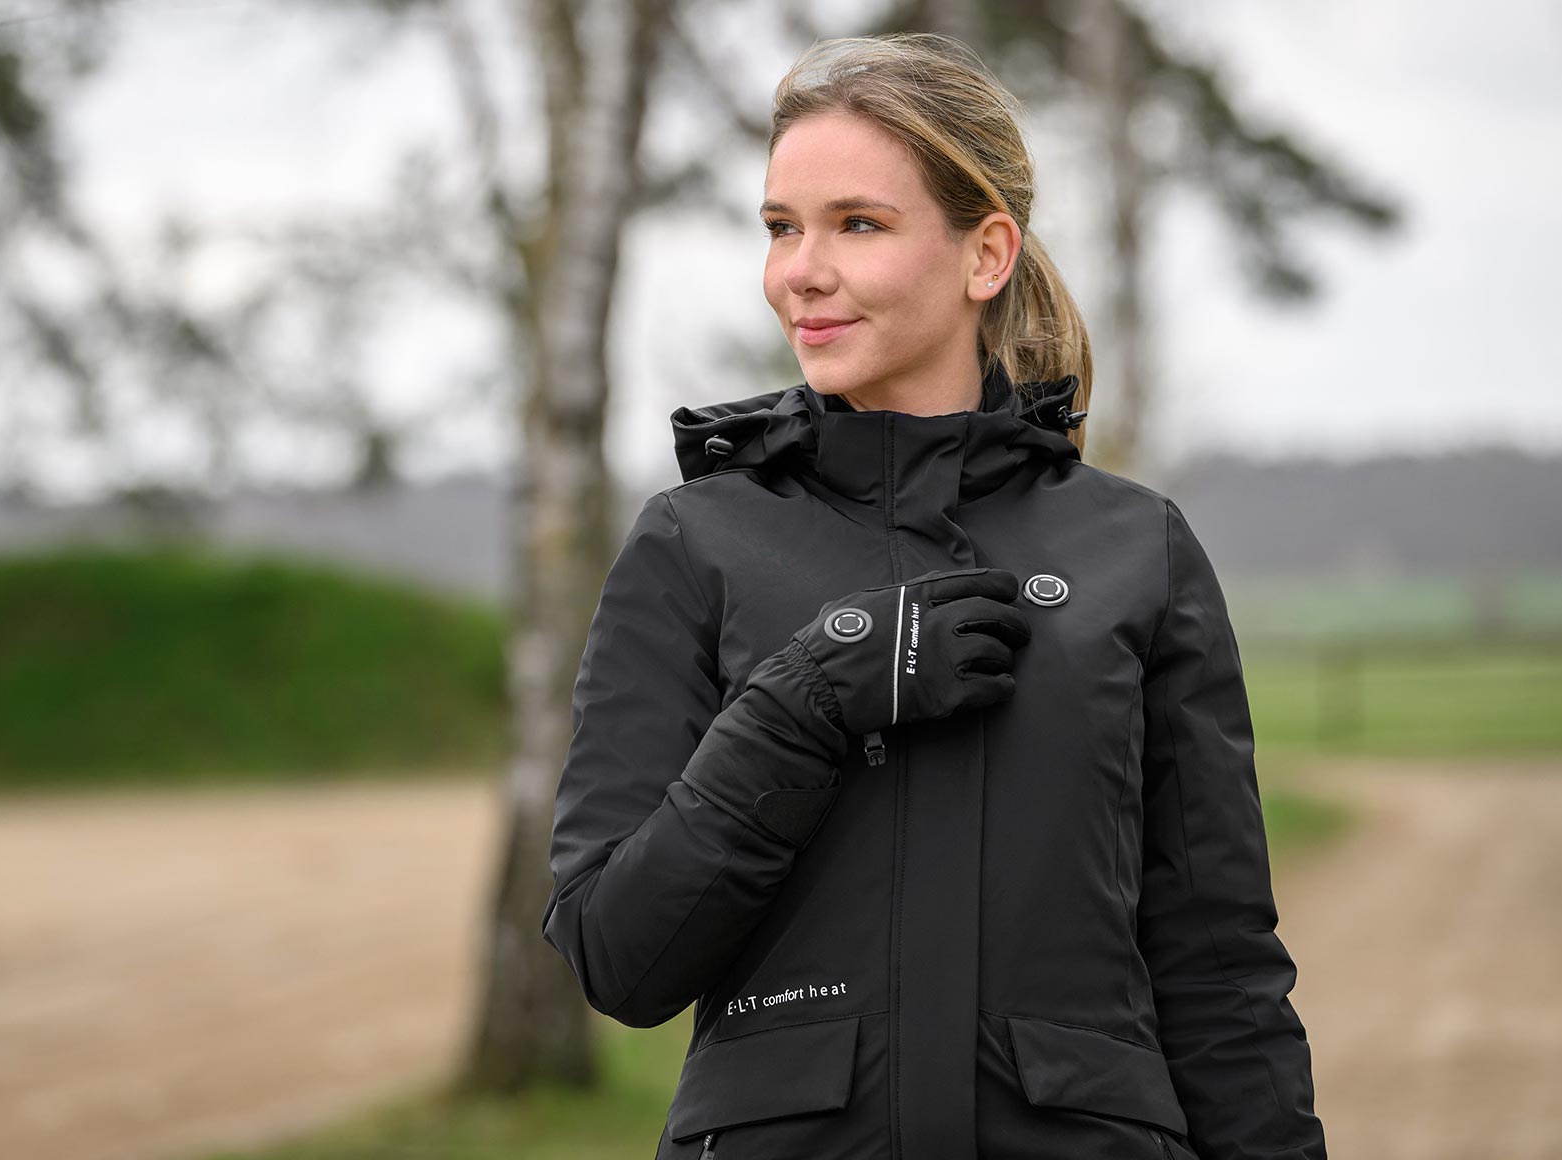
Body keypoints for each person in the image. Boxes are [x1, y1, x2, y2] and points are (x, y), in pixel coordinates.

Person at [541, 31, 1324, 1160]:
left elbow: (1219, 973)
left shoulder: (1135, 550)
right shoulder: (693, 543)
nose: (800, 270)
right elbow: (618, 957)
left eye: (857, 224)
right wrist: (804, 700)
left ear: (985, 253)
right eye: (780, 227)